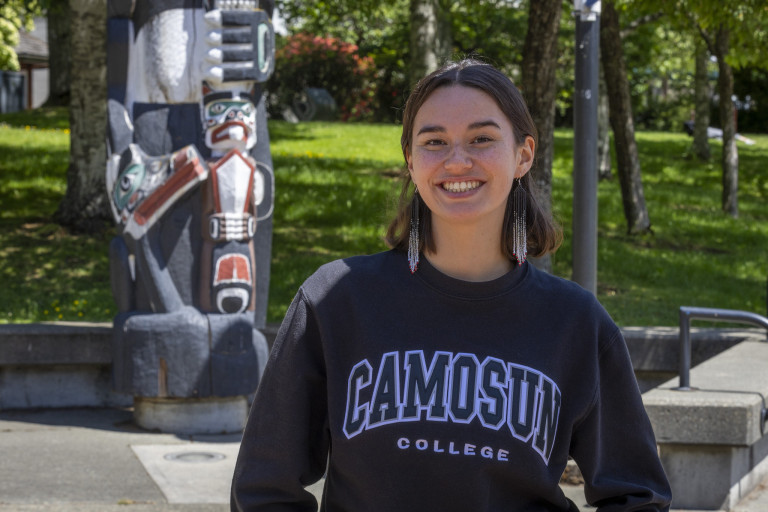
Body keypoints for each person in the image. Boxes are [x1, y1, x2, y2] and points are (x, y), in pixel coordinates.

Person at [231, 58, 672, 511]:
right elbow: (265, 489)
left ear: (523, 155)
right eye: (434, 141)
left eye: (481, 138)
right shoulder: (337, 299)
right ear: (410, 159)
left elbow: (638, 495)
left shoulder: (575, 323)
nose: (456, 160)